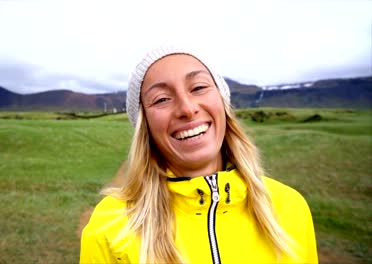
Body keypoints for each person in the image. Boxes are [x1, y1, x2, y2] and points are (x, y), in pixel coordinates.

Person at [80, 45, 318, 264]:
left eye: (199, 87)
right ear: (145, 127)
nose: (187, 108)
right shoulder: (109, 225)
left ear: (223, 104)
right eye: (161, 99)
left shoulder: (290, 207)